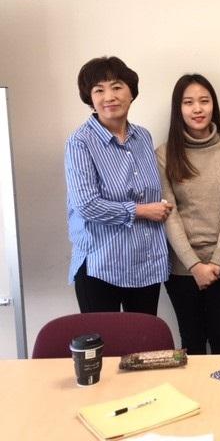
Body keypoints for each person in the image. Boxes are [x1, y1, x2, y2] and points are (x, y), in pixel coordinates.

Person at [65, 56, 171, 314]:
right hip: (101, 266)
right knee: (104, 350)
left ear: (131, 93)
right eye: (98, 90)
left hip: (144, 264)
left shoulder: (143, 137)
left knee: (143, 349)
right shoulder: (80, 142)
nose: (108, 96)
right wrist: (141, 210)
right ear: (90, 98)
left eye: (116, 86)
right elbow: (87, 205)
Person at [156, 74, 220, 355]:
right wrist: (194, 265)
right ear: (178, 109)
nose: (197, 109)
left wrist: (216, 261)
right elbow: (170, 214)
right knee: (191, 342)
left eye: (204, 101)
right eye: (189, 102)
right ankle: (194, 401)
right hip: (182, 268)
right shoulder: (164, 154)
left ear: (213, 105)